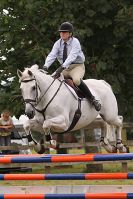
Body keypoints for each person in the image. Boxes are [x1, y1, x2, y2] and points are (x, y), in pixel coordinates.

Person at [43, 22, 101, 111]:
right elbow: (52, 55)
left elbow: (72, 57)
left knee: (77, 80)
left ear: (70, 34)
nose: (62, 34)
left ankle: (92, 99)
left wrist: (61, 67)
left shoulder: (75, 42)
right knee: (52, 80)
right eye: (61, 32)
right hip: (65, 68)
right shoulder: (57, 43)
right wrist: (46, 66)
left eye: (65, 32)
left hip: (77, 66)